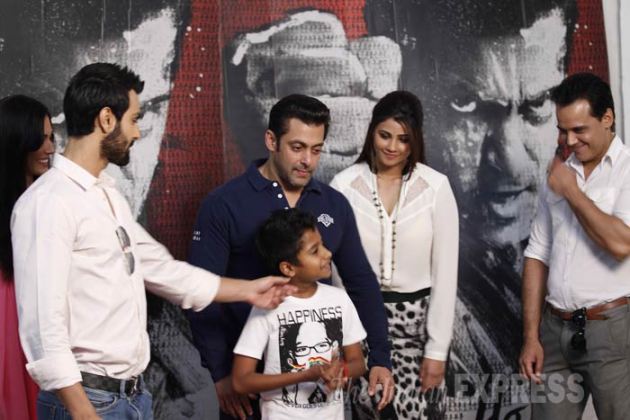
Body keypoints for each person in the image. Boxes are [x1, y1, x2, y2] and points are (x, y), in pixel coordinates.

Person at [10, 62, 294, 420]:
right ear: (107, 119)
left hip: (133, 398)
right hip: (89, 402)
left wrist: (249, 290)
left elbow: (162, 270)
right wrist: (83, 412)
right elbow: (42, 326)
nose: (137, 133)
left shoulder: (107, 195)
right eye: (134, 119)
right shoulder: (49, 202)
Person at [188, 93, 394, 419]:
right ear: (271, 140)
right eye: (297, 147)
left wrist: (381, 358)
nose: (307, 161)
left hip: (321, 389)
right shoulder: (224, 204)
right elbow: (201, 292)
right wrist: (220, 374)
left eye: (316, 150)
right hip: (248, 385)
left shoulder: (333, 204)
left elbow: (361, 282)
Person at [330, 91, 458, 419]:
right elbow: (336, 274)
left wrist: (437, 351)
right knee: (368, 412)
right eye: (384, 135)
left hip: (417, 331)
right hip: (360, 328)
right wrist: (344, 340)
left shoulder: (436, 187)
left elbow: (446, 276)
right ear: (372, 132)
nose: (392, 147)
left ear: (415, 140)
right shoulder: (343, 185)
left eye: (403, 139)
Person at [519, 73, 630, 419]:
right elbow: (537, 255)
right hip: (554, 331)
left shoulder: (625, 170)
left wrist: (570, 191)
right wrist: (531, 336)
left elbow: (620, 243)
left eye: (579, 129)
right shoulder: (560, 173)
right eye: (563, 130)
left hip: (612, 331)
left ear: (607, 118)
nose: (569, 140)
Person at [232, 208, 367, 419]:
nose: (327, 253)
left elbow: (358, 362)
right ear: (288, 268)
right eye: (315, 251)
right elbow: (241, 381)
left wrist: (342, 371)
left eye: (322, 244)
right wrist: (305, 375)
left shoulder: (339, 299)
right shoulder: (268, 305)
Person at [0, 95, 54, 420]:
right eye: (40, 139)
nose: (50, 148)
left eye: (51, 137)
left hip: (41, 332)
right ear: (16, 142)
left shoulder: (50, 204)